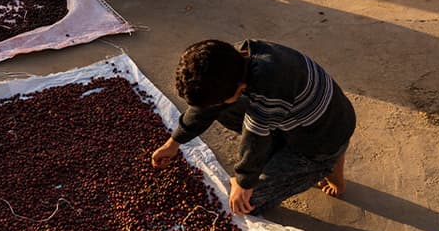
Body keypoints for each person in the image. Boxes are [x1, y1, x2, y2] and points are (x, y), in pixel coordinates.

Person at [152, 38, 355, 216]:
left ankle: (328, 163)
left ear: (240, 88)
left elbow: (255, 138)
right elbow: (205, 107)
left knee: (247, 203)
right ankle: (312, 155)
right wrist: (174, 142)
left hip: (321, 137)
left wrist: (243, 182)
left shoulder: (270, 89)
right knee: (218, 108)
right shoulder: (230, 60)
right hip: (301, 117)